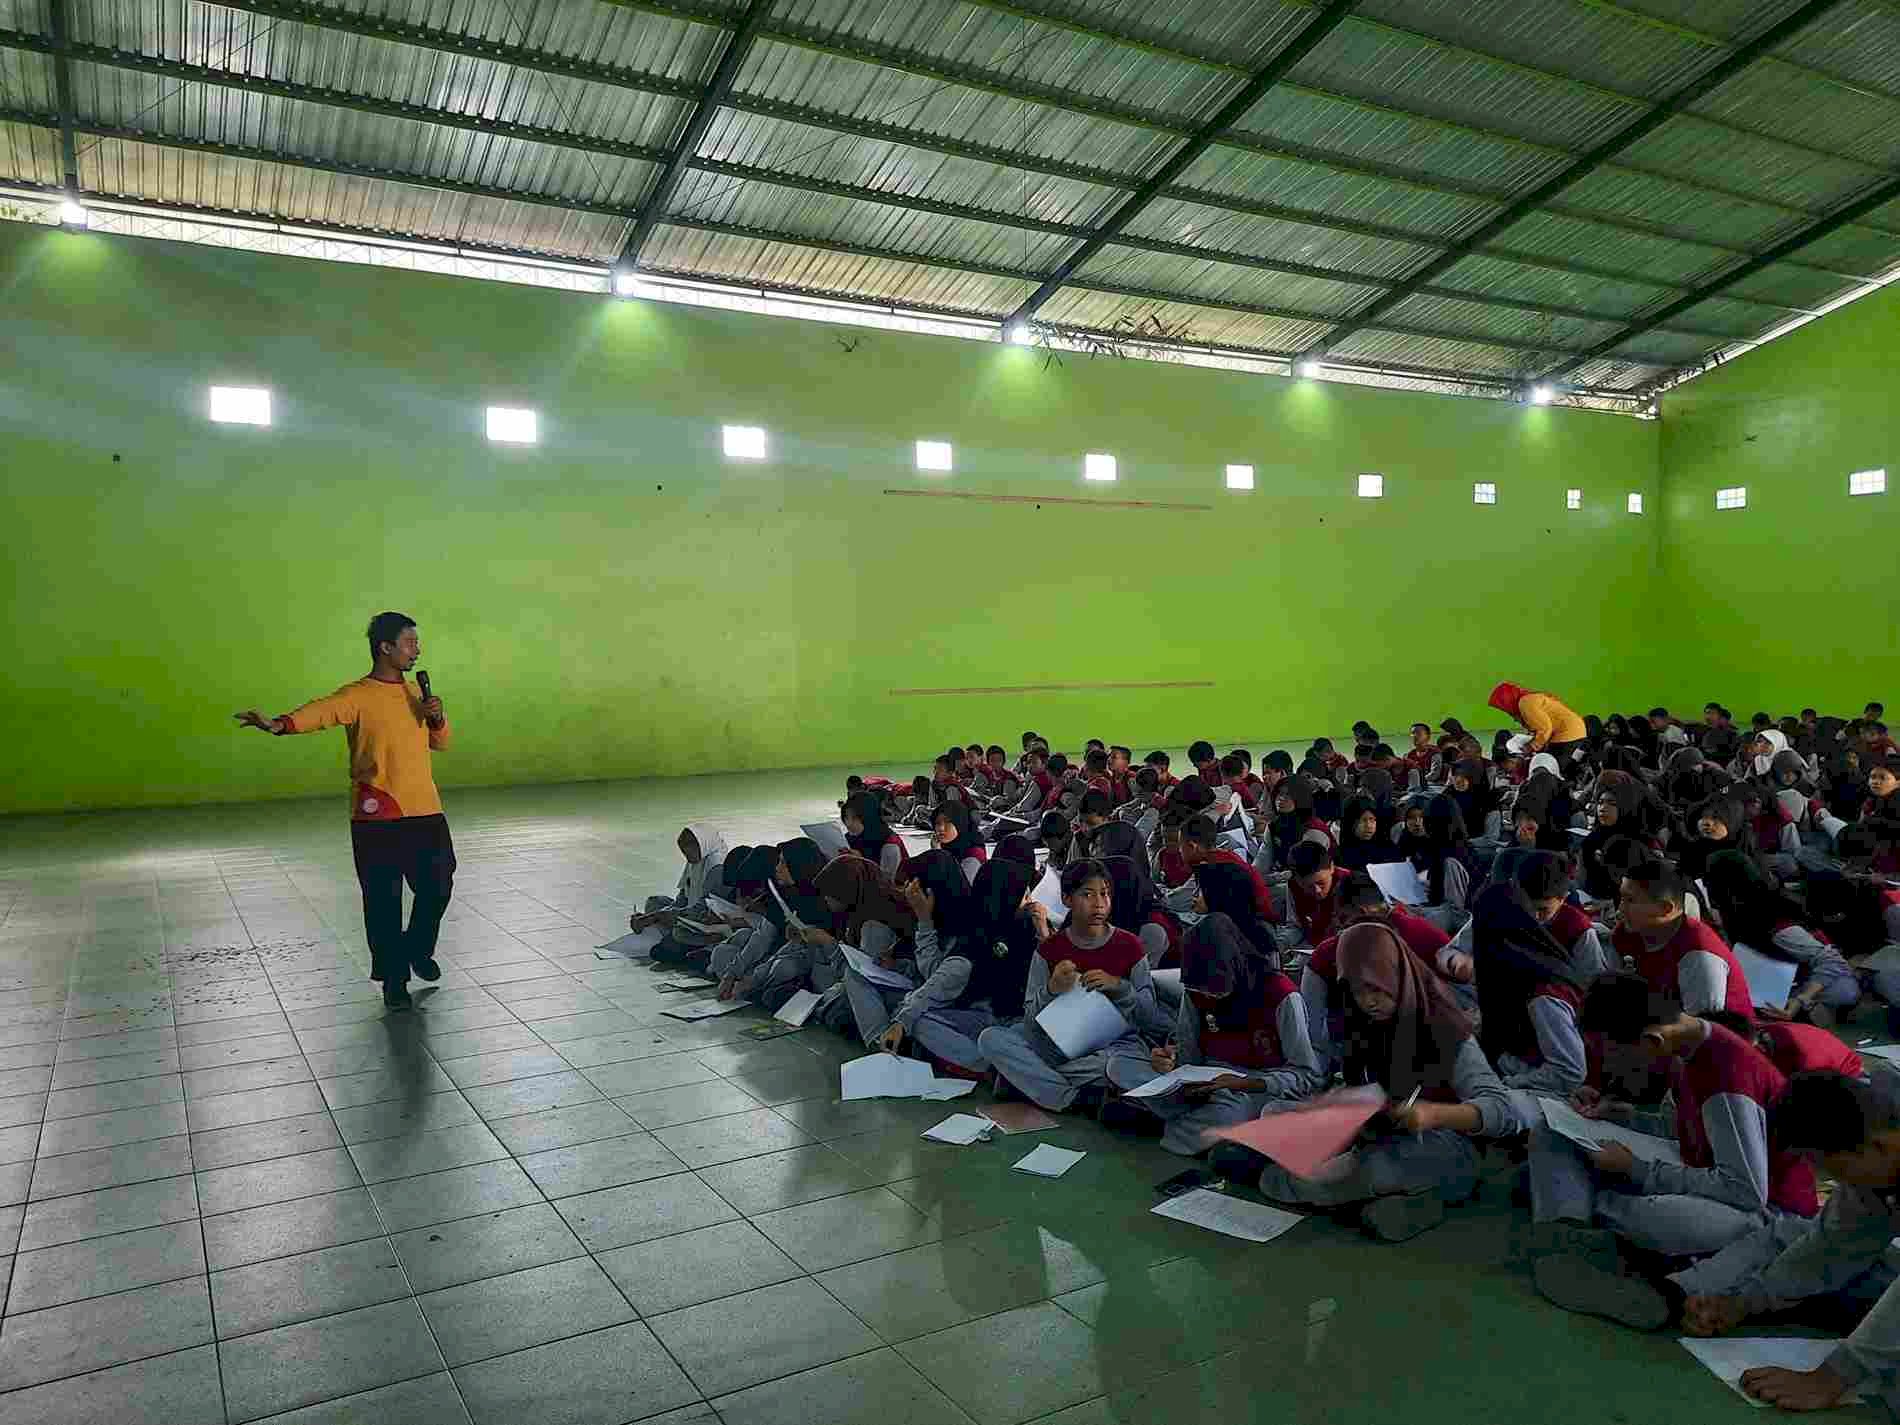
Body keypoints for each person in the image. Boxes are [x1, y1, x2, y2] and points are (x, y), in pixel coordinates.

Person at [1528, 973, 1817, 1317]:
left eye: (1611, 1053)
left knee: (1650, 1213)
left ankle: (1587, 1228)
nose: (1608, 1065)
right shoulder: (1691, 1048)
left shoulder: (1728, 1076)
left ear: (1651, 1041)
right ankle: (1575, 1231)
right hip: (1701, 1175)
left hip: (1763, 1213)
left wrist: (1637, 1170)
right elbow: (1696, 1134)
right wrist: (1629, 1118)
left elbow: (1746, 1190)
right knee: (1550, 1132)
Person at [1248, 921, 1530, 1243]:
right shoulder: (1364, 1023)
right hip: (1380, 1136)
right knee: (1275, 1111)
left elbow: (1502, 1111)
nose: (1367, 1001)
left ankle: (1309, 1182)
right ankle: (1387, 1199)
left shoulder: (1444, 1027)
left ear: (1398, 975)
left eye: (1376, 987)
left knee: (1361, 1169)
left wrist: (1433, 1114)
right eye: (1357, 990)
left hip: (1446, 1147)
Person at [234, 611, 453, 1011]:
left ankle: (418, 950)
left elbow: (441, 744)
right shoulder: (358, 695)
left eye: (416, 643)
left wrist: (436, 717)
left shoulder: (414, 694)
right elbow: (321, 711)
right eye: (409, 642)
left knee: (438, 887)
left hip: (426, 811)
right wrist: (279, 724)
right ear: (385, 647)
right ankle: (394, 980)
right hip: (378, 815)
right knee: (384, 902)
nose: (416, 649)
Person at [1108, 913, 1323, 1154]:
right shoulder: (1196, 990)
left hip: (1250, 1087)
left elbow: (1308, 1076)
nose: (1207, 997)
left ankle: (1160, 1121)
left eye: (1214, 989)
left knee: (1229, 1114)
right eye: (1201, 990)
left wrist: (1248, 1083)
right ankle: (1187, 1124)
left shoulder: (1281, 995)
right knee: (1120, 1064)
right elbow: (1188, 1052)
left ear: (1234, 966)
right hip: (1202, 1083)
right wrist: (1170, 1061)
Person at [976, 859, 1173, 1111]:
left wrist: (1119, 987)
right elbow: (1030, 1016)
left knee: (1116, 1066)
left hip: (1113, 1046)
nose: (1099, 904)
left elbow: (1149, 1017)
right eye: (1087, 895)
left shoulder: (1130, 947)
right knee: (991, 1039)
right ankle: (1073, 1098)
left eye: (1105, 894)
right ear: (1067, 899)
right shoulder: (1050, 949)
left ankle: (1037, 1082)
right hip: (1056, 1043)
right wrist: (1051, 989)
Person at [1702, 850, 1859, 1025]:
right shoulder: (1732, 913)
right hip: (1769, 979)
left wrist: (1801, 1000)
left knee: (1844, 990)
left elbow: (1832, 961)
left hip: (1809, 982)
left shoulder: (1773, 922)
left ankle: (1809, 1012)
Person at [1613, 859, 1755, 1021]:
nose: (1619, 911)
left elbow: (1701, 1034)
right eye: (1621, 898)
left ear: (1665, 909)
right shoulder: (1626, 933)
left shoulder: (1699, 956)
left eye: (1630, 900)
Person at [1488, 681, 1588, 764]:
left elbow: (1545, 728)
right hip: (1573, 731)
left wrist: (1531, 746)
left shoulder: (1526, 703)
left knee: (1550, 766)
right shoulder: (1529, 700)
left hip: (1567, 733)